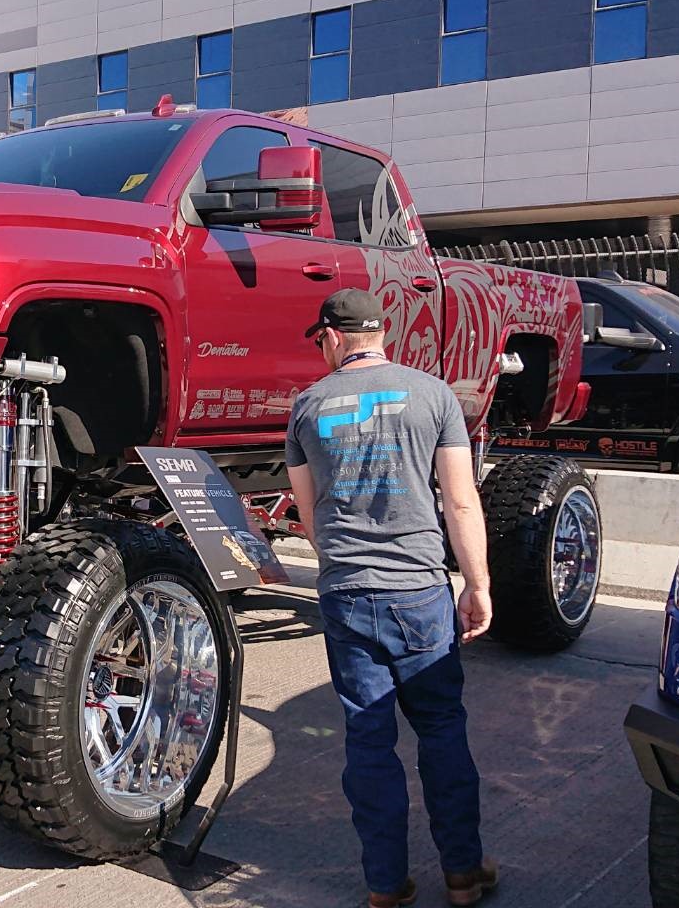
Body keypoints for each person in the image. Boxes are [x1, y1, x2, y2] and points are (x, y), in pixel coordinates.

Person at [284, 288, 498, 908]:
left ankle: (384, 884)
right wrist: (477, 584)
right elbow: (460, 501)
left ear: (331, 337)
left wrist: (343, 566)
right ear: (381, 335)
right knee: (442, 730)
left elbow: (308, 513)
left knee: (368, 739)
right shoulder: (434, 395)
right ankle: (463, 874)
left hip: (348, 594)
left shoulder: (307, 406)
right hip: (419, 591)